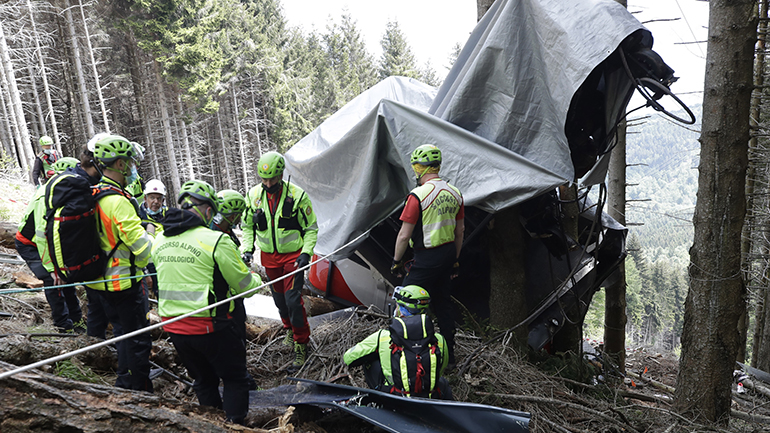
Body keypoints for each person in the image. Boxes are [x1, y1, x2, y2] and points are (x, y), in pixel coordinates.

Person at [154, 180, 263, 425]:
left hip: (174, 327)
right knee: (235, 378)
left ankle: (212, 425)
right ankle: (235, 425)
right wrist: (255, 277)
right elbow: (244, 287)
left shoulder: (159, 240)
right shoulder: (215, 240)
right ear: (206, 210)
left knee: (203, 381)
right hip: (212, 327)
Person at [85, 134, 154, 392]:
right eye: (130, 162)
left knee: (122, 335)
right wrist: (153, 239)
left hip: (100, 282)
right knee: (136, 340)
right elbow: (141, 248)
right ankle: (135, 390)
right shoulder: (118, 202)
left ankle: (126, 382)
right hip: (124, 282)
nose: (133, 167)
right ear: (121, 165)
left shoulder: (95, 194)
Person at [242, 151, 318, 373]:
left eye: (272, 179)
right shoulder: (254, 196)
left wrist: (307, 252)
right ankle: (288, 329)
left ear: (281, 175)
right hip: (269, 257)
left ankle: (301, 343)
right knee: (279, 299)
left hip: (293, 257)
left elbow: (311, 228)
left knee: (293, 299)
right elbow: (247, 226)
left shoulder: (297, 196)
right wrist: (247, 249)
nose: (268, 184)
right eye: (264, 179)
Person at [391, 144, 464, 365]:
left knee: (405, 300)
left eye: (415, 166)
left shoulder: (418, 195)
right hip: (448, 254)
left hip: (426, 256)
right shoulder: (455, 193)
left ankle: (402, 352)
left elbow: (404, 236)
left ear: (420, 168)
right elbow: (460, 231)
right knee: (442, 302)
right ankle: (449, 355)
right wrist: (455, 261)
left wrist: (396, 261)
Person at [343, 285, 452, 399]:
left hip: (395, 396)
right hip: (428, 397)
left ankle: (378, 398)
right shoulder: (439, 340)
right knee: (443, 382)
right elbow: (441, 368)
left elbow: (348, 358)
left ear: (401, 309)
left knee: (371, 359)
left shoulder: (383, 337)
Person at [16, 157, 84, 333]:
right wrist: (52, 268)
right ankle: (62, 323)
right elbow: (41, 236)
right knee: (52, 279)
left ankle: (76, 319)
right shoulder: (44, 195)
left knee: (65, 276)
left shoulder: (62, 193)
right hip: (29, 244)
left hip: (48, 244)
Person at [138, 179, 168, 298]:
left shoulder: (169, 215)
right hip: (148, 267)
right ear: (145, 198)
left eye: (159, 198)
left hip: (166, 264)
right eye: (152, 198)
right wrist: (145, 272)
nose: (155, 202)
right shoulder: (138, 217)